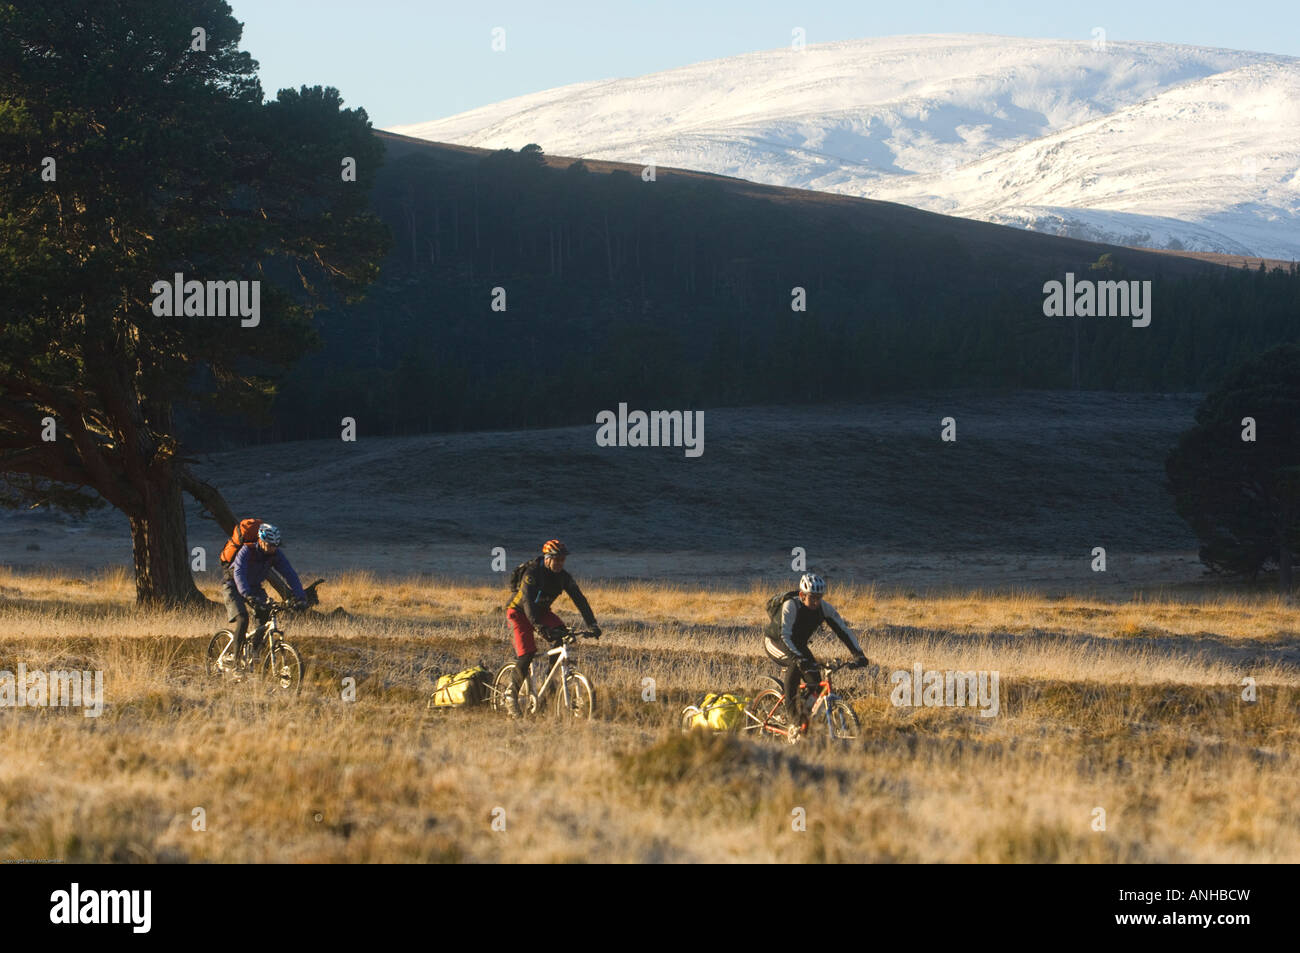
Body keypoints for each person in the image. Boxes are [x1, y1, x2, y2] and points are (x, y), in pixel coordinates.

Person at [503, 539, 601, 716]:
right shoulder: (532, 573)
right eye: (556, 559)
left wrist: (592, 624)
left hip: (541, 612)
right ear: (547, 558)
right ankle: (510, 694)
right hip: (519, 612)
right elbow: (527, 602)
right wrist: (539, 627)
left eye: (562, 560)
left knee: (562, 635)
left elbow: (580, 600)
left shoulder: (563, 577)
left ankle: (549, 681)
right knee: (527, 653)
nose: (560, 563)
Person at [764, 573, 868, 736]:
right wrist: (798, 659)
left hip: (797, 645)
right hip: (775, 642)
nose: (816, 602)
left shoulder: (823, 608)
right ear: (802, 595)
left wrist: (858, 654)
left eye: (819, 598)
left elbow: (844, 631)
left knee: (816, 684)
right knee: (795, 665)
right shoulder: (791, 606)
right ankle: (793, 717)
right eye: (812, 598)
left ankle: (803, 719)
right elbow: (784, 636)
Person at [223, 522, 308, 677]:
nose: (273, 549)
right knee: (243, 619)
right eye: (270, 545)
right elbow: (239, 572)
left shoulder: (275, 555)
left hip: (255, 588)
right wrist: (246, 594)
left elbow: (290, 573)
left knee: (265, 617)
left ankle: (254, 653)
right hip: (234, 586)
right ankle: (235, 663)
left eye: (276, 545)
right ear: (261, 541)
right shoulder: (246, 550)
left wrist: (300, 597)